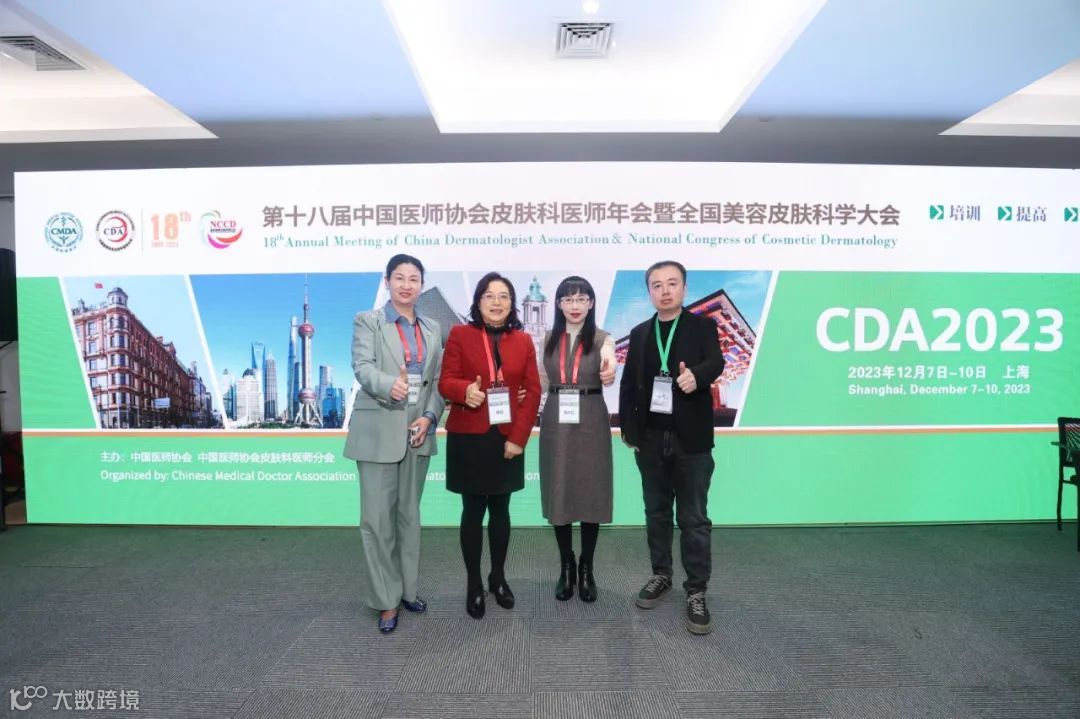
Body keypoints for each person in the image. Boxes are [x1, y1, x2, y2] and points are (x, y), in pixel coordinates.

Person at [619, 261, 725, 635]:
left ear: (684, 288)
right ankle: (661, 574)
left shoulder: (702, 326)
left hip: (691, 440)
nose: (665, 291)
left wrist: (697, 375)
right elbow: (628, 386)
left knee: (694, 519)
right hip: (650, 440)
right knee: (657, 513)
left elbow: (717, 361)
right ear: (649, 291)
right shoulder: (639, 333)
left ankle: (696, 590)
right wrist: (630, 431)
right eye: (657, 285)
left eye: (672, 283)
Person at [344, 254, 444, 634]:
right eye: (399, 277)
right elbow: (362, 366)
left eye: (413, 278)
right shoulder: (367, 321)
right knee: (377, 521)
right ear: (387, 282)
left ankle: (407, 590)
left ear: (421, 285)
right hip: (378, 430)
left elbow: (437, 382)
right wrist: (390, 385)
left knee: (409, 518)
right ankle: (386, 600)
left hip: (417, 431)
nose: (406, 285)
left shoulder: (432, 328)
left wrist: (430, 416)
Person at [438, 272, 542, 619]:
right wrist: (463, 391)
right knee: (472, 512)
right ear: (478, 301)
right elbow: (445, 381)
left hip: (507, 437)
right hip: (469, 436)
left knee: (501, 510)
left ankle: (498, 577)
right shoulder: (460, 334)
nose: (497, 302)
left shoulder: (523, 341)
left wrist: (518, 438)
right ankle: (473, 583)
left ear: (512, 304)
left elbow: (533, 392)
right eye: (489, 295)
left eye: (504, 296)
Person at [538, 276, 616, 602]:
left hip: (591, 419)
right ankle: (566, 565)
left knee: (590, 492)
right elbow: (541, 382)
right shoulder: (548, 339)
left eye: (581, 299)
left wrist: (609, 371)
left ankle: (587, 567)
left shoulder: (602, 338)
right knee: (559, 489)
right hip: (556, 418)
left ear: (591, 303)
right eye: (568, 299)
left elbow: (609, 364)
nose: (575, 306)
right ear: (558, 304)